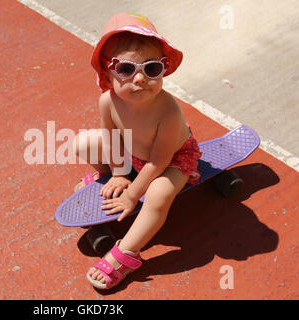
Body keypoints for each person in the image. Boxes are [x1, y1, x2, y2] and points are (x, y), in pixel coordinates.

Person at [73, 13, 202, 289]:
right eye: (126, 69)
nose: (140, 78)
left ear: (163, 70)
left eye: (152, 69)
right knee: (82, 143)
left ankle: (126, 253)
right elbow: (111, 136)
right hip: (134, 155)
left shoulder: (168, 110)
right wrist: (119, 174)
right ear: (108, 73)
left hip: (172, 159)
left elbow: (159, 160)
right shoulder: (107, 101)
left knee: (158, 193)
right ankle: (114, 176)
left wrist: (133, 194)